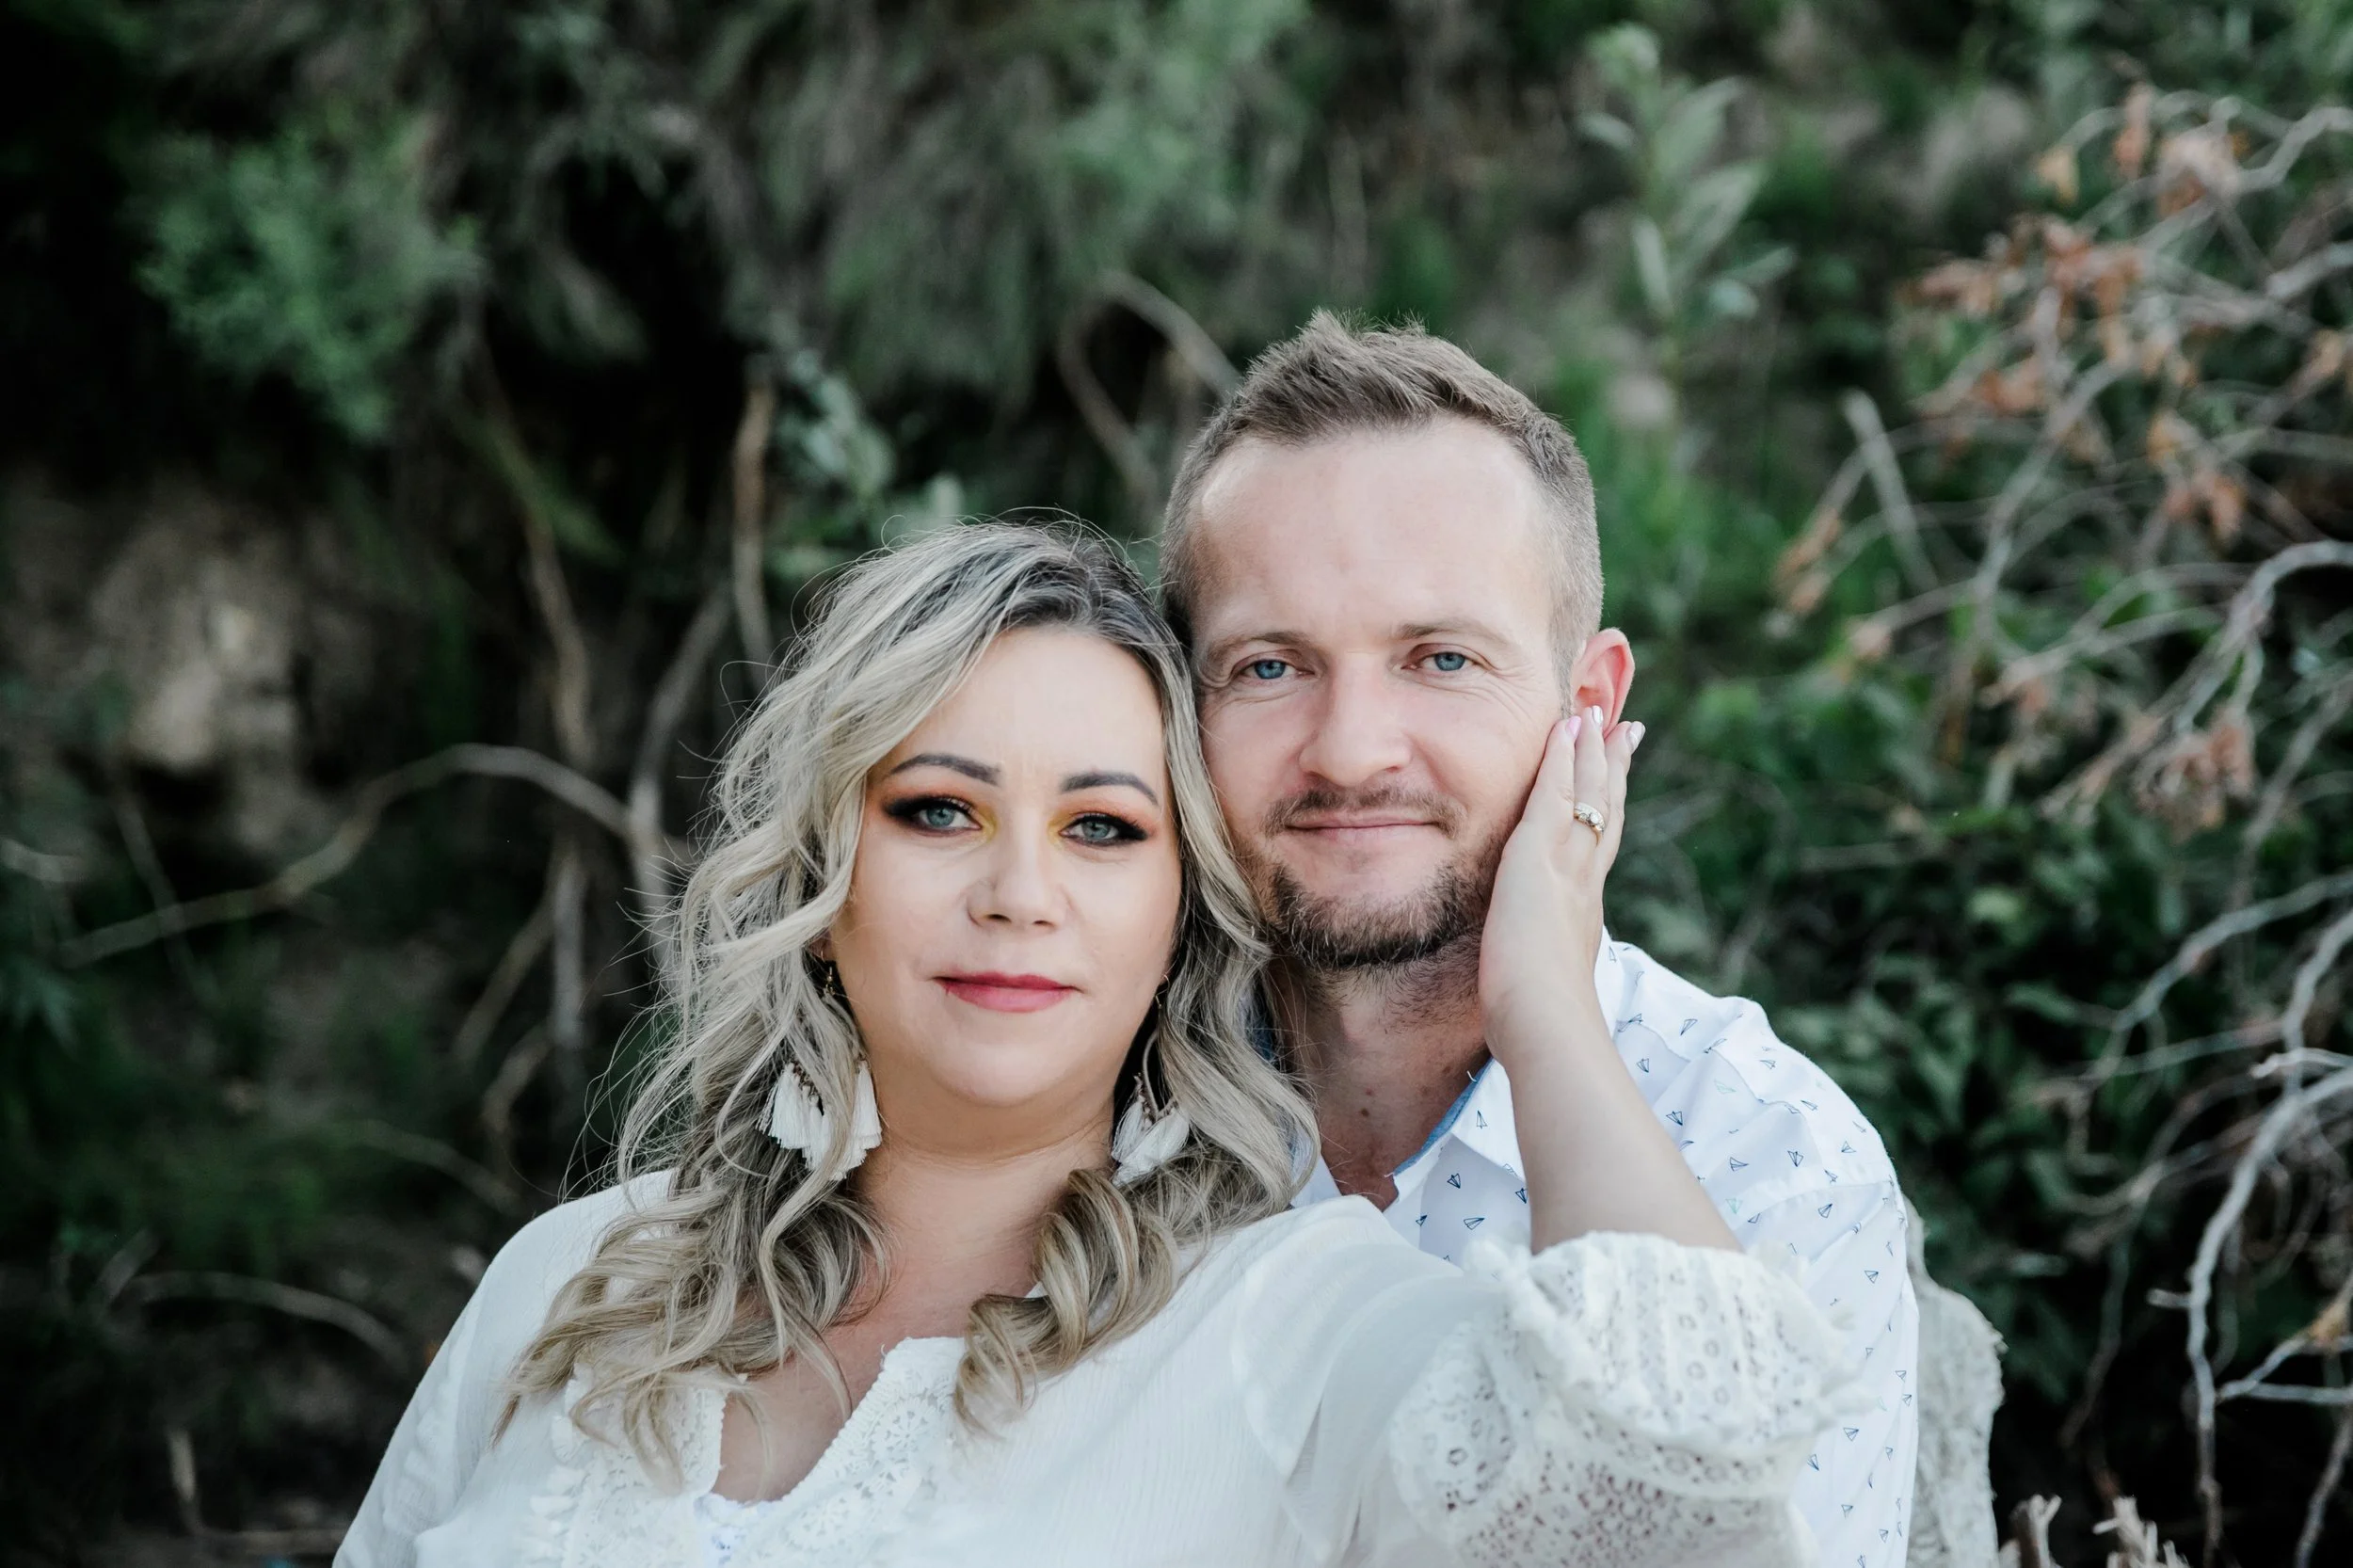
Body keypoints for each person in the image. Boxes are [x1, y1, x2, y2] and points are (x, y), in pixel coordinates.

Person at [339, 523, 1854, 1568]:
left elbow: (1687, 1488)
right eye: (937, 809)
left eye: (1103, 828)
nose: (1019, 894)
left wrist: (1543, 992)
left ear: (1178, 914)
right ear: (823, 873)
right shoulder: (573, 1280)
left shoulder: (1297, 1323)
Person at [1160, 314, 1922, 1568]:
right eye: (1269, 666)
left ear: (1590, 704)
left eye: (1441, 658)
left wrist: (1545, 1012)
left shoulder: (1779, 1165)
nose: (1352, 749)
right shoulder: (1084, 1092)